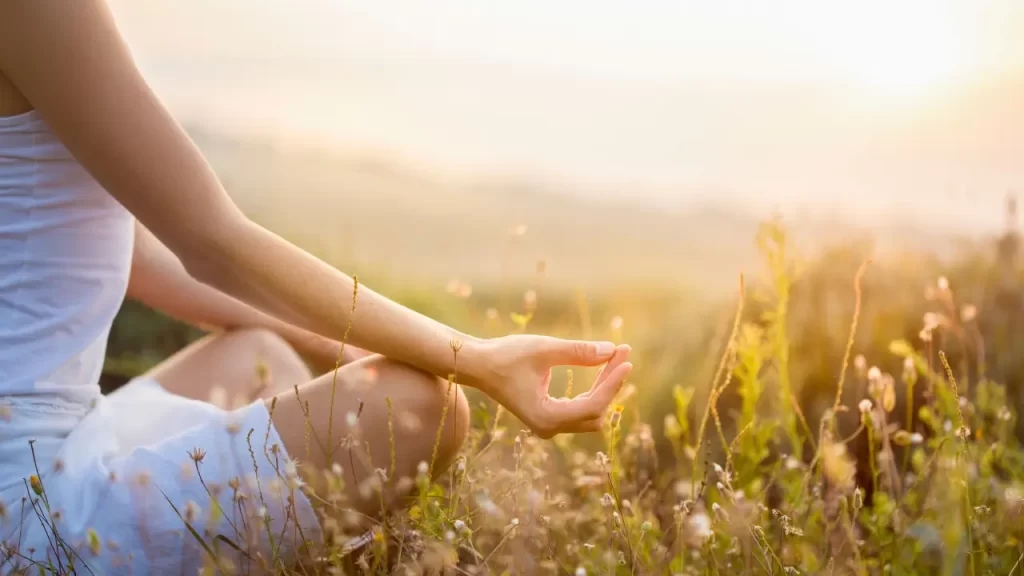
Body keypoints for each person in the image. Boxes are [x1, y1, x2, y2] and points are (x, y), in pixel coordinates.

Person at [0, 2, 633, 572]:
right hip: (27, 512)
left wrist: (352, 347)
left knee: (258, 356)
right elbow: (213, 241)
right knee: (415, 406)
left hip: (67, 436)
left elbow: (139, 261)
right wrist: (474, 359)